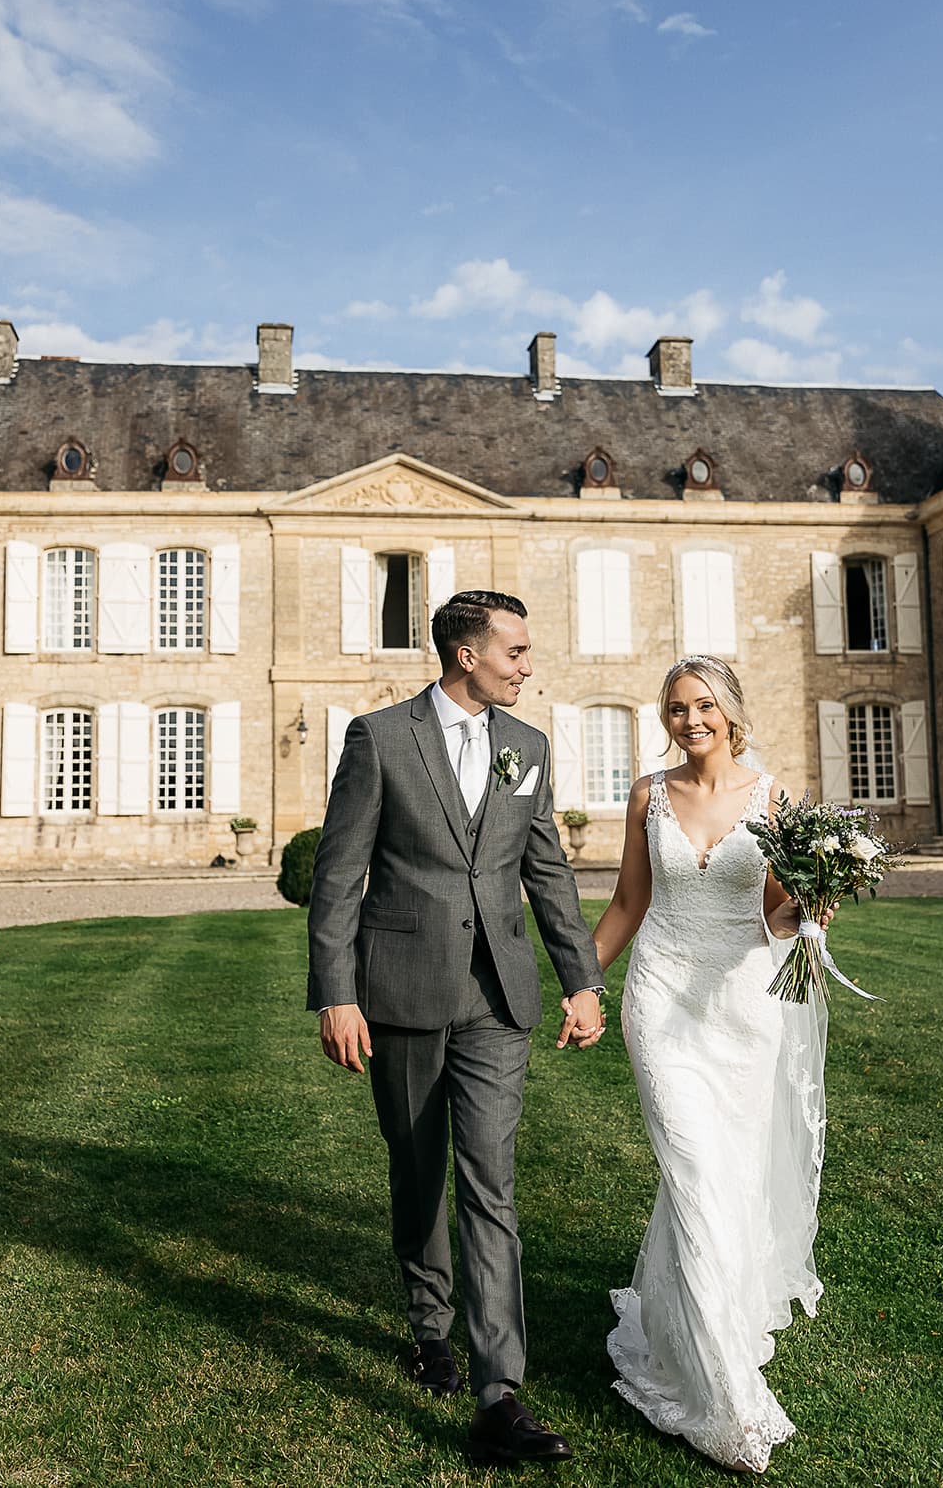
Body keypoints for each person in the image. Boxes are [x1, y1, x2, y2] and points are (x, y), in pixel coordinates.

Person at [306, 590, 607, 1466]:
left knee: (490, 1181)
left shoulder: (527, 747)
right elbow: (337, 875)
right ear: (466, 656)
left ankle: (498, 1390)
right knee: (418, 1168)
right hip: (398, 989)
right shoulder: (382, 739)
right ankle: (429, 1324)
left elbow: (544, 868)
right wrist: (337, 992)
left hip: (496, 1000)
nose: (526, 664)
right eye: (514, 650)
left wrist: (580, 980)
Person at [588, 656, 829, 1474]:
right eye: (675, 709)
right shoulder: (648, 795)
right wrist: (584, 987)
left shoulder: (772, 798)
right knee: (691, 1169)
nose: (689, 721)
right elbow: (629, 902)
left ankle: (690, 1313)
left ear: (730, 711)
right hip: (659, 1000)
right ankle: (721, 1392)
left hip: (743, 1006)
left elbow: (775, 916)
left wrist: (809, 905)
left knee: (725, 1174)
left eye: (702, 707)